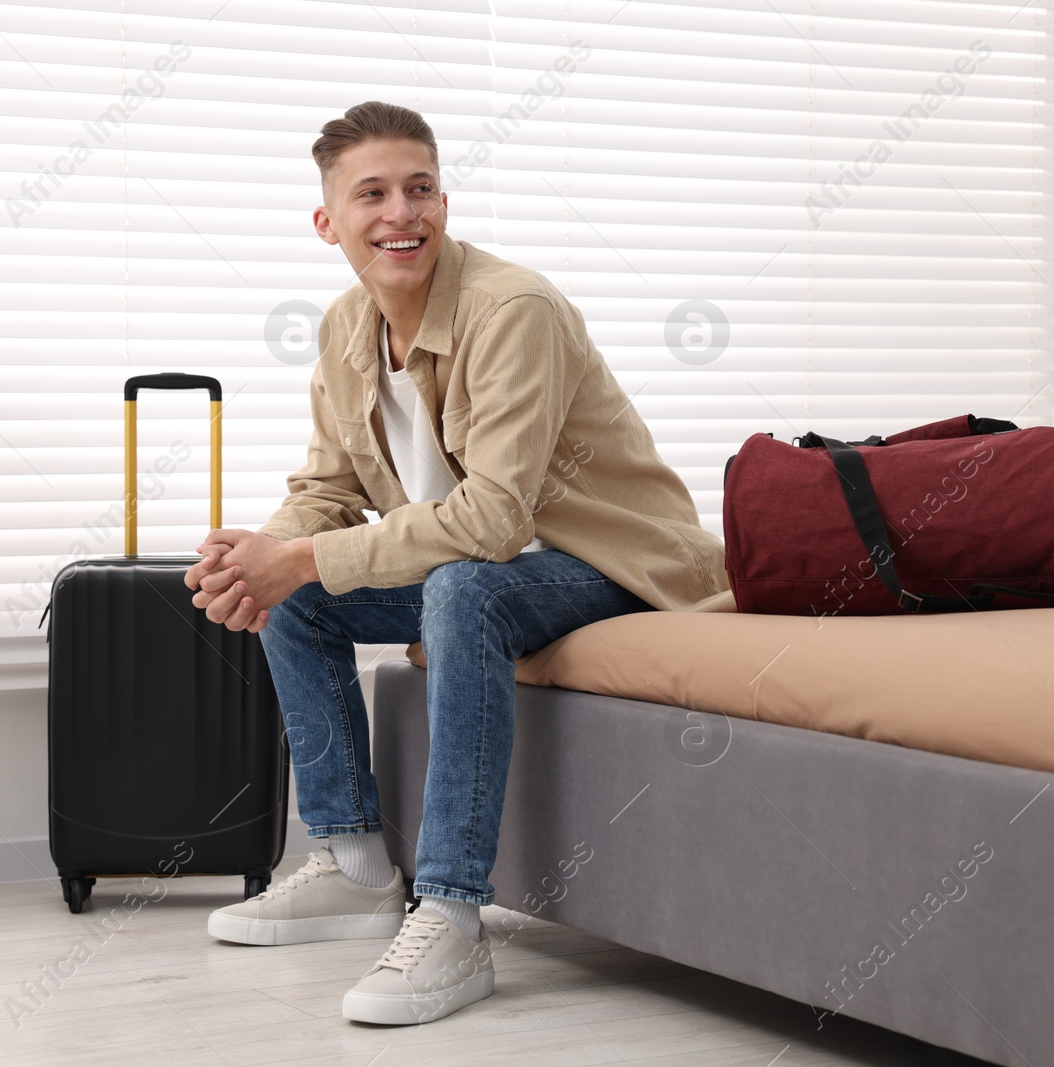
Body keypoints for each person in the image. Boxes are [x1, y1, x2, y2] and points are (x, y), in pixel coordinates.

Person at [184, 100, 731, 1025]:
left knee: (461, 586)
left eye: (421, 188)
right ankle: (355, 864)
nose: (403, 212)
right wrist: (261, 558)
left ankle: (451, 913)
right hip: (477, 571)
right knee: (305, 600)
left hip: (608, 565)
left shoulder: (513, 310)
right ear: (329, 222)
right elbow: (324, 487)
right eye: (374, 194)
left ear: (444, 200)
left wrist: (305, 554)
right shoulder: (345, 328)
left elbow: (491, 519)